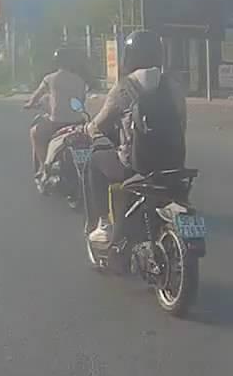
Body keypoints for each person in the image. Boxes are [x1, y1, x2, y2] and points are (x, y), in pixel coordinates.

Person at [84, 30, 188, 245]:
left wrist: (88, 130)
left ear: (129, 56)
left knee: (94, 160)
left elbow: (98, 125)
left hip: (135, 166)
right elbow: (182, 126)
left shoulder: (124, 88)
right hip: (173, 165)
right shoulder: (174, 88)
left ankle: (103, 224)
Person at [23, 48, 89, 178]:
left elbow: (36, 96)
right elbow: (81, 101)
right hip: (78, 122)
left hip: (56, 123)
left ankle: (43, 166)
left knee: (35, 132)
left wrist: (29, 104)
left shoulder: (50, 78)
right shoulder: (80, 80)